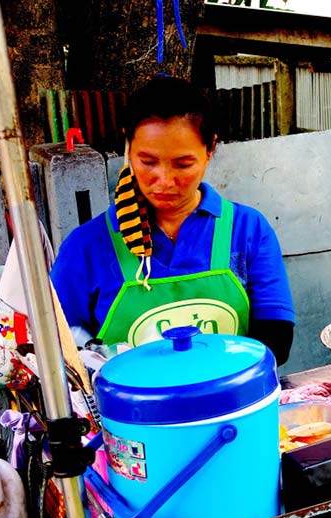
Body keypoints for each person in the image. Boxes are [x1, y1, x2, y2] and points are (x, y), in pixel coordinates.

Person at [51, 76, 295, 364]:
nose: (164, 181)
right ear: (128, 145)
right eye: (148, 162)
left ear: (210, 149)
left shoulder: (247, 230)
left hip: (232, 404)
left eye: (183, 164)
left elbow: (276, 340)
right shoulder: (87, 247)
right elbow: (62, 348)